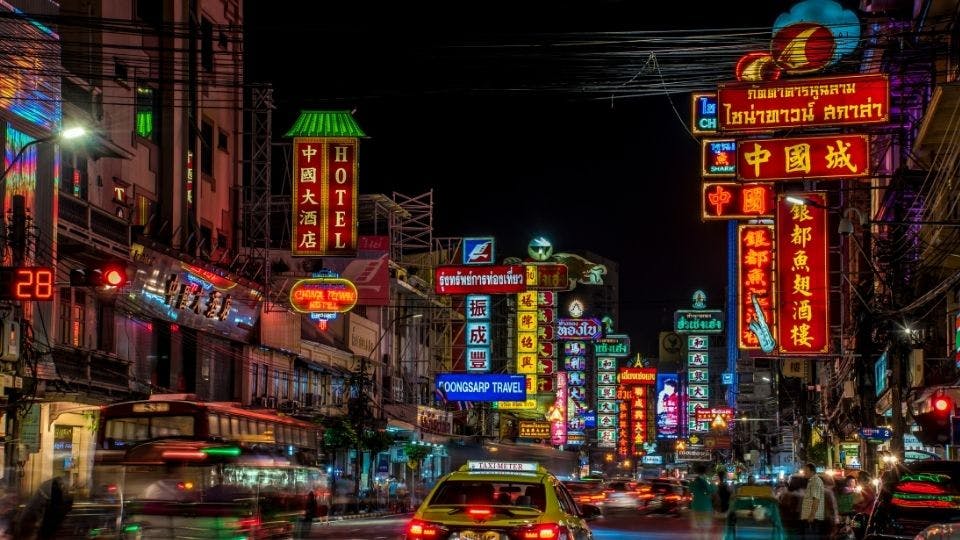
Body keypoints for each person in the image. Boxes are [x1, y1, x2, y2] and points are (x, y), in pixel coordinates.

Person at [800, 463, 828, 539]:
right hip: (811, 517)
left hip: (813, 518)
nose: (804, 472)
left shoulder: (815, 482)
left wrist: (812, 515)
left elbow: (816, 499)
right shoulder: (812, 481)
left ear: (812, 472)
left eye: (806, 470)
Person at [689, 464, 717, 540]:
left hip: (696, 506)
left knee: (697, 529)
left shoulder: (694, 481)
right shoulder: (708, 480)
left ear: (697, 471)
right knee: (705, 529)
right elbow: (714, 490)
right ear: (706, 471)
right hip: (706, 507)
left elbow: (690, 490)